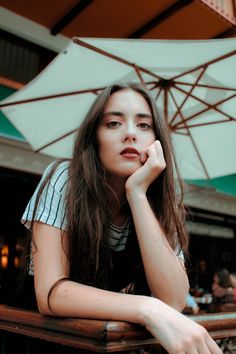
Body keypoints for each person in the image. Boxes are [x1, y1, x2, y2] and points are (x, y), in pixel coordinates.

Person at [19, 83, 222, 353]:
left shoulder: (157, 203)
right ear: (95, 137)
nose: (129, 134)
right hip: (37, 337)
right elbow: (50, 293)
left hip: (100, 342)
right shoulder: (64, 178)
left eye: (144, 125)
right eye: (113, 123)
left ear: (156, 142)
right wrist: (147, 308)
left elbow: (172, 299)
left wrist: (136, 193)